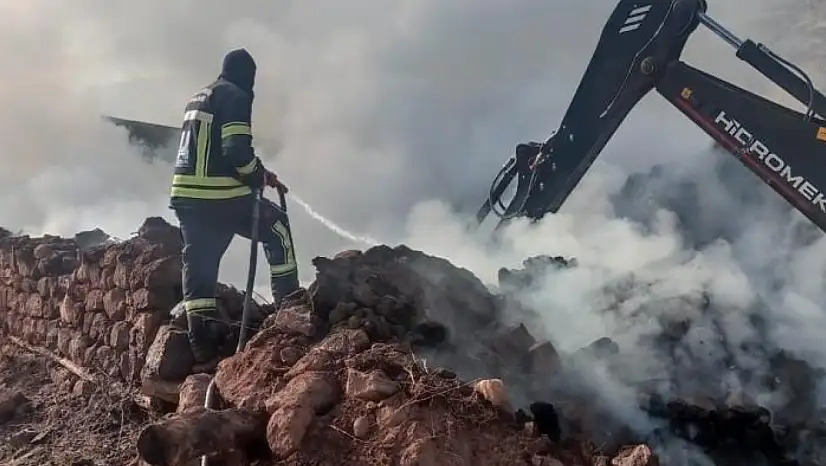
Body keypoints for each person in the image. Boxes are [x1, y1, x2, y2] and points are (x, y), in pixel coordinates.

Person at [169, 48, 300, 362]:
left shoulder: (200, 96)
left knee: (199, 266)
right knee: (278, 228)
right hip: (220, 198)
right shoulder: (236, 96)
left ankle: (202, 344)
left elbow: (215, 150)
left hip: (188, 197)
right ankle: (291, 309)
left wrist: (262, 174)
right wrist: (256, 176)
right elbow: (236, 151)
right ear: (248, 77)